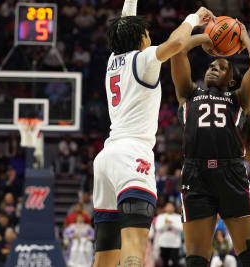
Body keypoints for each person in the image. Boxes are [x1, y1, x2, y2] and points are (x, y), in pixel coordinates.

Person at [92, 0, 214, 266]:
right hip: (132, 156)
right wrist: (194, 18)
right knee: (134, 247)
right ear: (139, 39)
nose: (149, 37)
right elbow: (176, 44)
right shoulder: (145, 58)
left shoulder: (114, 60)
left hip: (106, 158)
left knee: (105, 255)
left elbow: (125, 22)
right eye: (146, 34)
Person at [170, 18, 250, 267]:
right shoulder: (189, 93)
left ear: (231, 81)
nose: (213, 68)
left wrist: (244, 37)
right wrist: (205, 39)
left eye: (221, 66)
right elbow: (178, 52)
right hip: (196, 175)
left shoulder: (239, 99)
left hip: (231, 173)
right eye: (211, 65)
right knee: (196, 259)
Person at [154, 202, 182, 267]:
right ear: (165, 208)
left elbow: (181, 229)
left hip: (175, 244)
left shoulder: (178, 217)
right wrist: (166, 225)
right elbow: (158, 228)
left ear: (174, 207)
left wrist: (171, 224)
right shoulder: (160, 216)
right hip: (164, 243)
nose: (169, 207)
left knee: (175, 262)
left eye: (171, 206)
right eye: (168, 206)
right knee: (164, 262)